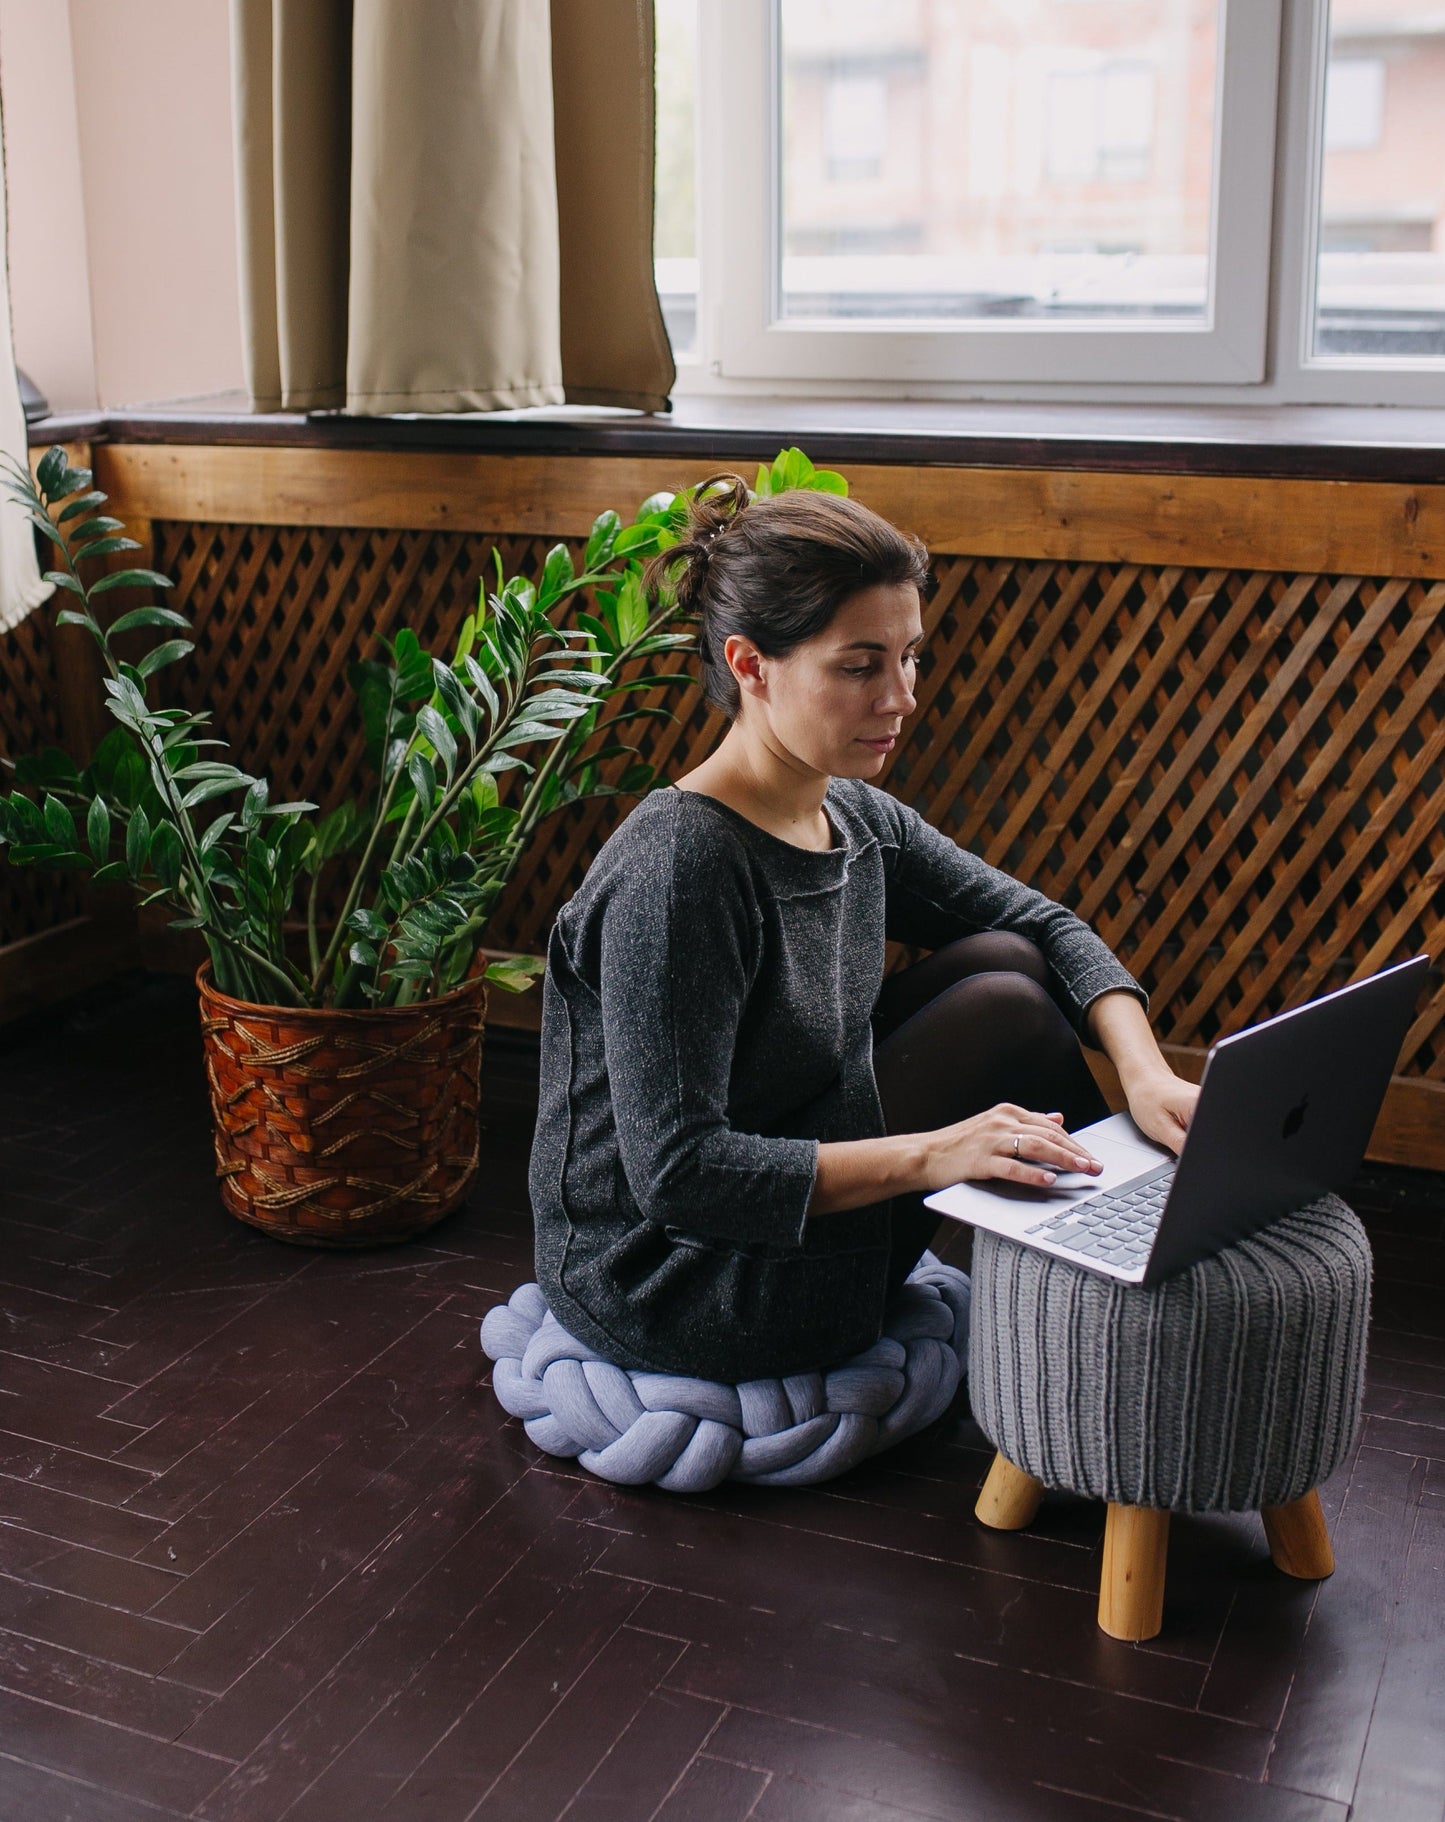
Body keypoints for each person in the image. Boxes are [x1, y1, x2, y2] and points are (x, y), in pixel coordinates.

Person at [528, 476, 1199, 1384]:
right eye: (858, 666)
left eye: (909, 657)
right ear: (750, 665)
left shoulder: (855, 817)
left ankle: (1120, 1245)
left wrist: (1146, 1073)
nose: (901, 698)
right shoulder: (681, 869)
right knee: (1001, 1000)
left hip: (790, 1169)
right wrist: (939, 1153)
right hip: (683, 1281)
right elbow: (680, 1176)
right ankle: (1124, 1293)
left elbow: (1045, 925)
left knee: (1007, 960)